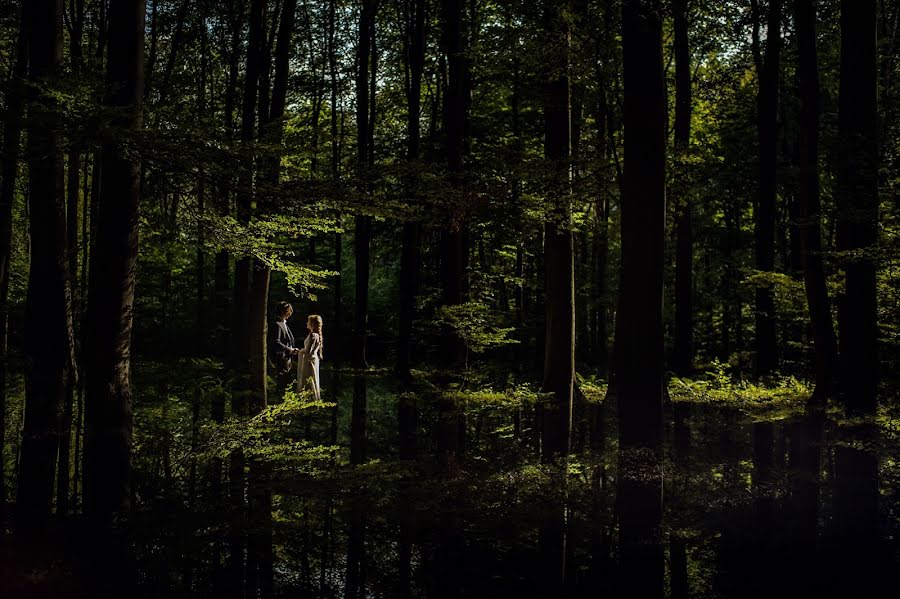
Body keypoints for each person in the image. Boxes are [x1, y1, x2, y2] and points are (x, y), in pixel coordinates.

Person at [270, 302, 299, 393]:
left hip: (286, 360)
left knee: (286, 387)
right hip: (280, 361)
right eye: (289, 312)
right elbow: (276, 342)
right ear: (284, 312)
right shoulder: (278, 324)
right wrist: (290, 350)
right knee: (282, 387)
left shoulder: (284, 324)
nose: (290, 314)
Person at [298, 314, 324, 401]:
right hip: (313, 360)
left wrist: (298, 351)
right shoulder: (317, 335)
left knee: (308, 379)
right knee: (313, 379)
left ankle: (307, 400)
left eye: (308, 321)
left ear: (312, 324)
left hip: (309, 361)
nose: (306, 323)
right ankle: (312, 400)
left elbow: (307, 351)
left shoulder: (313, 335)